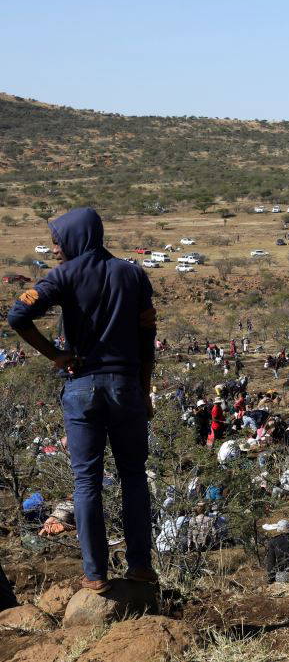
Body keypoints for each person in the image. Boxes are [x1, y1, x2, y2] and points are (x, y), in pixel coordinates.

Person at [8, 208, 158, 593]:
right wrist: (144, 390)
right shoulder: (133, 273)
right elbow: (147, 341)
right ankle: (140, 566)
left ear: (76, 238)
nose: (56, 248)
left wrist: (54, 354)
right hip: (126, 387)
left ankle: (95, 574)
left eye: (58, 240)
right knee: (134, 477)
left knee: (86, 480)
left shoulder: (62, 276)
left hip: (82, 387)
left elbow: (18, 315)